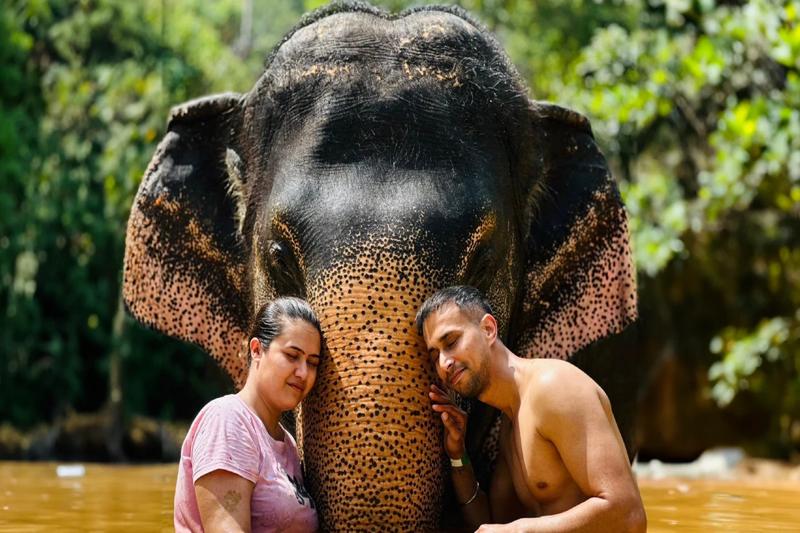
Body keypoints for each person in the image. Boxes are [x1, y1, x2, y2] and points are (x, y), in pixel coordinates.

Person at [417, 286, 646, 533]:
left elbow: (629, 514)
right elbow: (490, 524)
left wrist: (520, 531)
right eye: (435, 356)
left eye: (451, 342)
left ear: (488, 329)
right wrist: (457, 455)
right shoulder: (509, 421)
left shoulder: (554, 386)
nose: (444, 363)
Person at [174, 297, 322, 532]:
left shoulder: (288, 445)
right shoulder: (228, 420)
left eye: (312, 363)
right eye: (292, 356)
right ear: (257, 350)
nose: (303, 373)